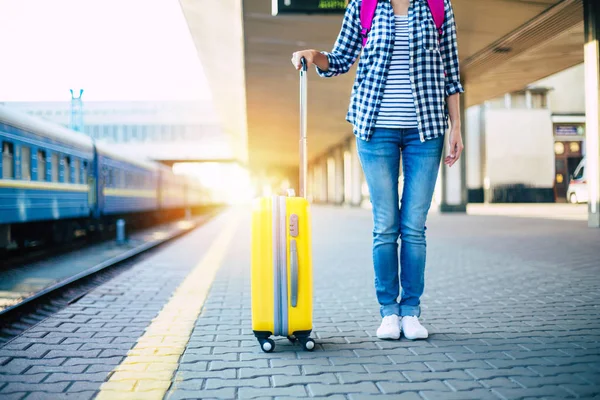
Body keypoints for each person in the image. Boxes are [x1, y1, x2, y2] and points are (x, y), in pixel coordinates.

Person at [291, 0, 464, 340]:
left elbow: (452, 73)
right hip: (374, 129)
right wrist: (314, 54)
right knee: (385, 225)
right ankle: (388, 312)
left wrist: (456, 126)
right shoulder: (364, 5)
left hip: (425, 131)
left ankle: (411, 311)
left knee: (414, 227)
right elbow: (340, 58)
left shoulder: (438, 6)